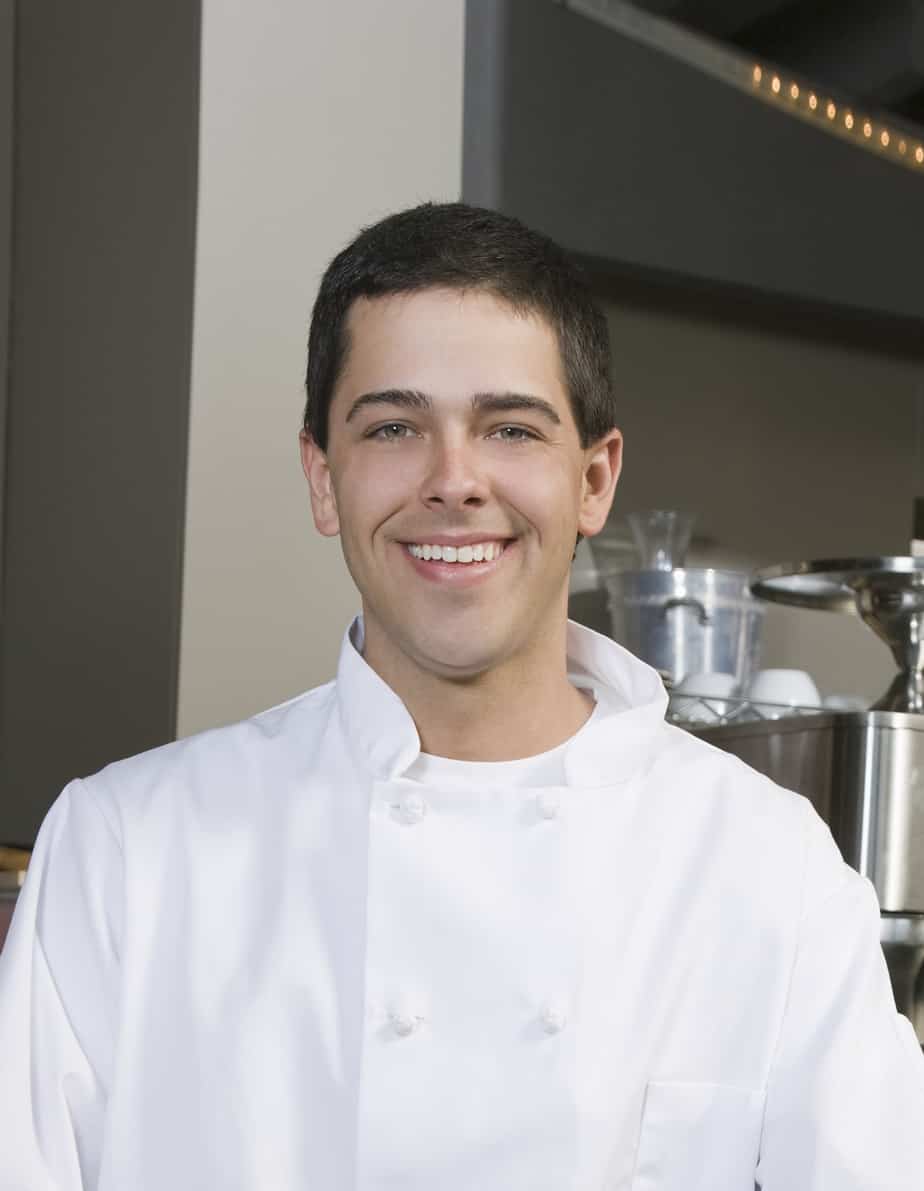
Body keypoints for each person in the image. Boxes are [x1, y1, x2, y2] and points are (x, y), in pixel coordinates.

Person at [1, 201, 922, 1190]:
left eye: (511, 428)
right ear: (323, 479)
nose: (454, 480)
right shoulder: (124, 853)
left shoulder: (764, 866)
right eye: (394, 426)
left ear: (594, 480)